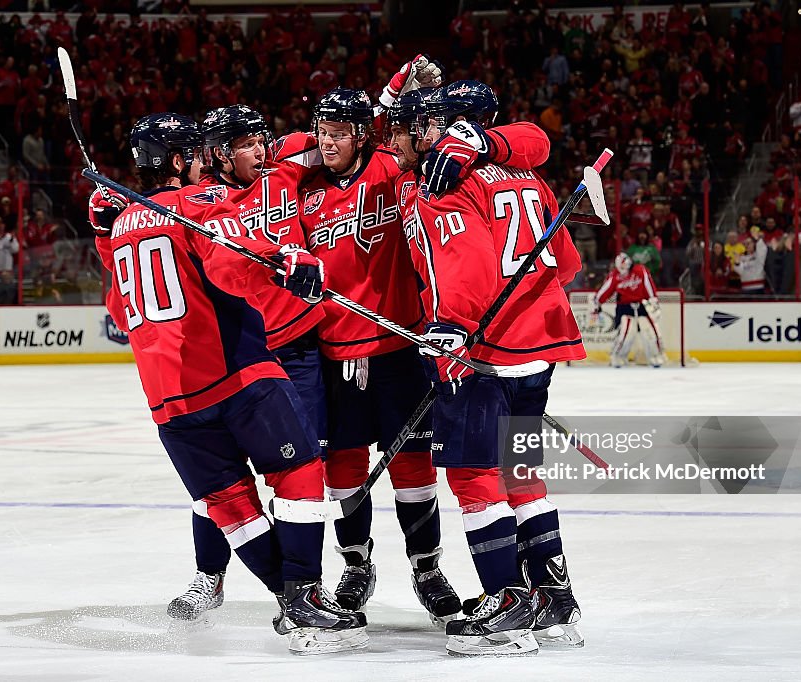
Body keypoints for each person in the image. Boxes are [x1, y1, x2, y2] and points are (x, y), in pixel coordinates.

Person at [88, 112, 366, 654]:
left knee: (231, 505)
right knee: (301, 465)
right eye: (196, 154)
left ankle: (289, 604)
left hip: (168, 399)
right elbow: (231, 267)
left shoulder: (121, 229)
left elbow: (122, 315)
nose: (205, 161)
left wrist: (103, 236)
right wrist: (285, 256)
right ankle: (304, 590)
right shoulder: (197, 204)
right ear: (176, 162)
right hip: (235, 374)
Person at [408, 80, 587, 656]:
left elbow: (468, 266)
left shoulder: (448, 180)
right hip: (542, 340)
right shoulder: (527, 176)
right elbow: (569, 261)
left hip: (486, 347)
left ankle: (506, 599)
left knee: (472, 471)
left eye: (432, 120)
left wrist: (453, 330)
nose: (423, 130)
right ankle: (553, 597)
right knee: (522, 471)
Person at [161, 104, 329, 623]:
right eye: (247, 143)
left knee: (302, 469)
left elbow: (344, 136)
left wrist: (394, 96)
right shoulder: (196, 204)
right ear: (215, 152)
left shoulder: (285, 169)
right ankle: (209, 575)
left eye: (262, 139)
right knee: (219, 480)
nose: (260, 150)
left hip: (294, 348)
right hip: (233, 354)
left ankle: (309, 584)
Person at [298, 87, 460, 624]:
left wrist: (394, 97)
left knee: (413, 467)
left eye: (340, 133)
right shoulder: (304, 183)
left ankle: (428, 568)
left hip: (399, 346)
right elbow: (275, 152)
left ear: (365, 132)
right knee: (342, 471)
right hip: (334, 351)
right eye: (322, 133)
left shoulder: (392, 168)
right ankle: (355, 564)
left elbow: (424, 142)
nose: (328, 143)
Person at [593, 252, 665, 367]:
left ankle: (656, 355)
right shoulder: (615, 275)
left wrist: (653, 301)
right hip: (624, 307)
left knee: (650, 331)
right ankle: (617, 356)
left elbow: (648, 286)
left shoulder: (640, 270)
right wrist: (597, 302)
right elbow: (605, 291)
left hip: (642, 305)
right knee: (625, 333)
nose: (623, 271)